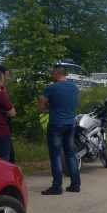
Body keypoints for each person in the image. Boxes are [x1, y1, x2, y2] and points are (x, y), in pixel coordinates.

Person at [39, 65, 81, 195]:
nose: (51, 75)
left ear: (57, 73)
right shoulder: (75, 88)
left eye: (52, 73)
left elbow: (41, 105)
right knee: (70, 153)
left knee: (56, 154)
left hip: (56, 123)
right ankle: (75, 184)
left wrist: (49, 106)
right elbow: (72, 104)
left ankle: (57, 186)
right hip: (70, 123)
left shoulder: (51, 88)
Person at [0, 64, 16, 162]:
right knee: (4, 157)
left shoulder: (2, 89)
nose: (7, 78)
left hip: (5, 126)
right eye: (6, 76)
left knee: (10, 155)